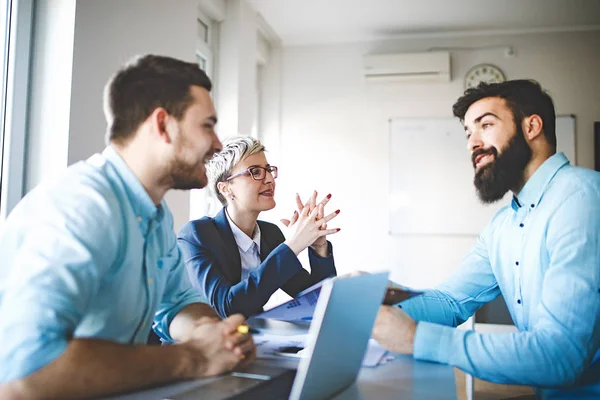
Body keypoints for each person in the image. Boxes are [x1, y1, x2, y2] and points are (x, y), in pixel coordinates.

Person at [0, 55, 256, 399]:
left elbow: (177, 302)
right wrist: (193, 357)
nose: (218, 144)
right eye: (207, 126)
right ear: (162, 125)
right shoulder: (81, 207)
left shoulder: (155, 213)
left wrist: (215, 336)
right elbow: (27, 373)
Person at [372, 80, 600, 398]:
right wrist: (375, 305)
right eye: (468, 133)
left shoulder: (583, 197)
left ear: (532, 126)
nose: (472, 143)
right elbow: (451, 301)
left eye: (486, 125)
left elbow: (560, 357)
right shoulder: (502, 225)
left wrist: (417, 338)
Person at [177, 136, 340, 318]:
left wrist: (318, 247)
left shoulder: (270, 234)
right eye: (255, 171)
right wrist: (293, 245)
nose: (269, 179)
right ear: (226, 188)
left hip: (250, 340)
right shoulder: (195, 235)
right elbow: (227, 307)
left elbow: (318, 302)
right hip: (199, 343)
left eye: (268, 170)